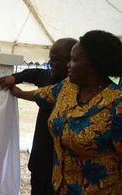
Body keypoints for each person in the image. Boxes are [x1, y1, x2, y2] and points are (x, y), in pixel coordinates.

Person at [10, 30, 122, 194]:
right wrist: (16, 91)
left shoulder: (117, 104)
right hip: (59, 187)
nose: (69, 64)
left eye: (74, 60)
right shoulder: (68, 87)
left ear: (93, 66)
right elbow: (42, 94)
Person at [0, 38, 77, 195]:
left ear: (71, 61)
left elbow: (48, 96)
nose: (50, 62)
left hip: (64, 164)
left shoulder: (75, 86)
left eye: (55, 59)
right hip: (41, 156)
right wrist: (15, 78)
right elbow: (32, 73)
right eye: (50, 58)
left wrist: (21, 94)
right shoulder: (48, 76)